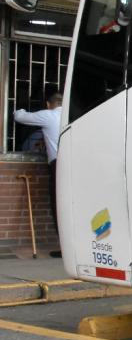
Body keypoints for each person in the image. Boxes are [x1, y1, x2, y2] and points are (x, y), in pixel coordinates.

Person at [15, 91, 64, 257]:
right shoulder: (72, 115)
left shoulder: (49, 115)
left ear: (49, 104)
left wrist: (18, 108)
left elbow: (20, 117)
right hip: (77, 163)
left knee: (59, 205)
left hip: (59, 165)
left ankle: (65, 248)